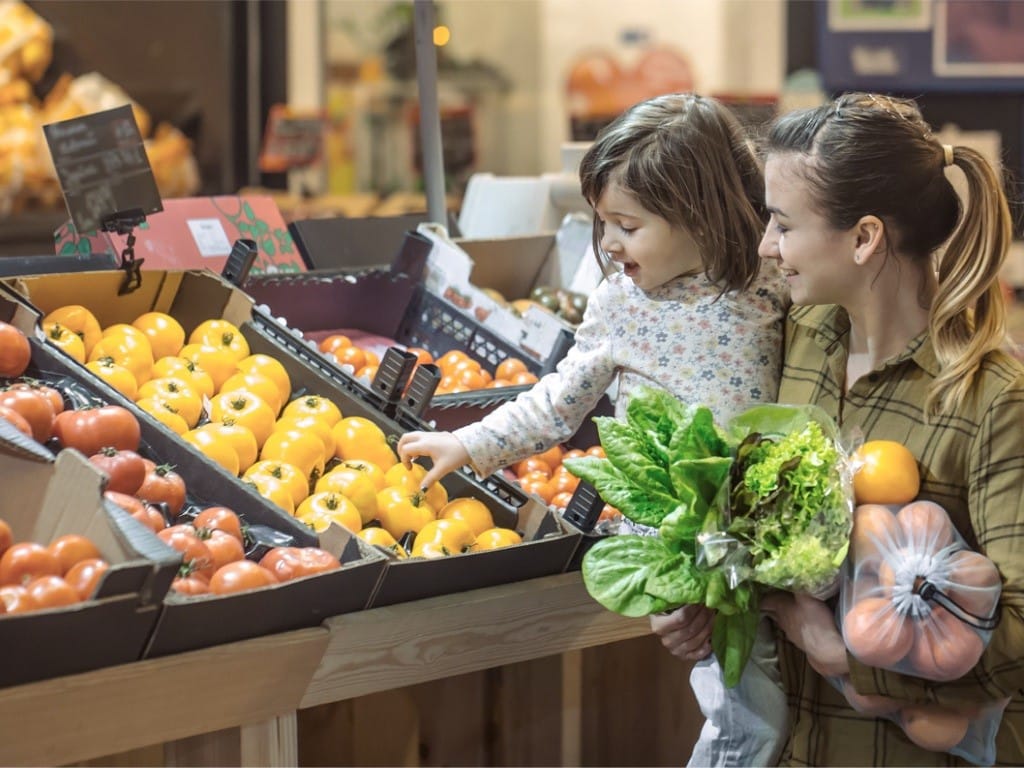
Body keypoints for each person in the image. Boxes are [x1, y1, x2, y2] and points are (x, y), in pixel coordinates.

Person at [398, 92, 791, 767]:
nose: (607, 243)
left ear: (698, 215)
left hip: (764, 529)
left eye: (626, 225)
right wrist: (468, 443)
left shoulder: (768, 281)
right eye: (601, 222)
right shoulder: (621, 305)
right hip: (679, 537)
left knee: (775, 704)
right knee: (749, 717)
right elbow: (557, 402)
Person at [651, 91, 1024, 765]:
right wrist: (709, 596)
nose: (767, 246)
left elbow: (1020, 636)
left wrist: (839, 652)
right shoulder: (801, 335)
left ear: (864, 238)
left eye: (784, 225)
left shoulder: (990, 398)